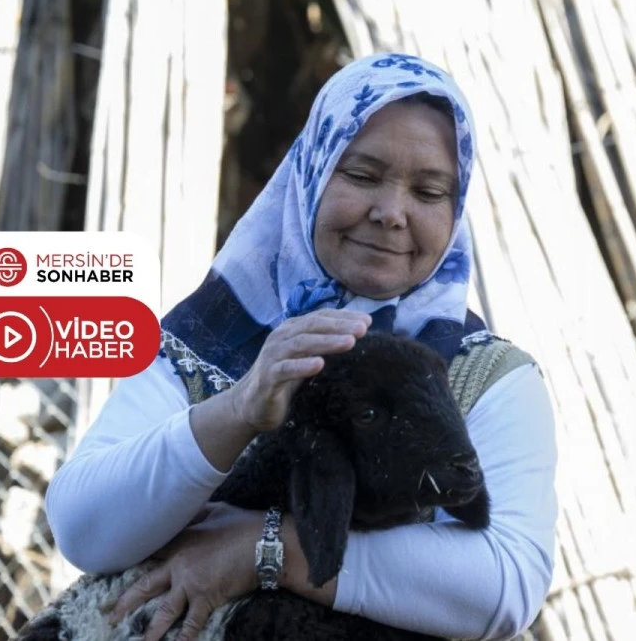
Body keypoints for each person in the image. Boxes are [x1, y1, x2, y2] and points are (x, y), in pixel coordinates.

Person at [44, 52, 559, 641]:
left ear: (456, 207)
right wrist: (238, 409)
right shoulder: (212, 338)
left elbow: (506, 583)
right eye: (362, 176)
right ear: (310, 171)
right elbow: (83, 528)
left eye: (429, 191)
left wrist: (265, 550)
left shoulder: (487, 377)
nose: (391, 213)